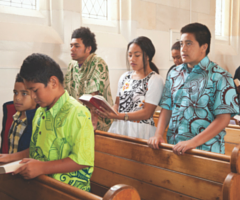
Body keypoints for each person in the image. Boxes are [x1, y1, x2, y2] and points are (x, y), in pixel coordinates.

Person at [0, 53, 94, 192]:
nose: (32, 96)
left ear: (53, 82)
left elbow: (82, 160)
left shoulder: (78, 112)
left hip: (68, 192)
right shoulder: (40, 111)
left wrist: (42, 167)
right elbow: (36, 149)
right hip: (42, 186)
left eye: (35, 90)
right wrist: (9, 158)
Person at [148, 23, 239, 154]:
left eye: (189, 43)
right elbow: (167, 107)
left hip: (206, 150)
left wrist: (193, 142)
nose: (183, 49)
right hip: (175, 147)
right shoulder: (174, 73)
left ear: (204, 47)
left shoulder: (220, 76)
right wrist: (158, 134)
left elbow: (223, 119)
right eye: (181, 44)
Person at [95, 36, 164, 139]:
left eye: (137, 55)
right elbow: (117, 104)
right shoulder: (125, 77)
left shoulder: (155, 79)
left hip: (140, 130)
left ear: (147, 56)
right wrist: (110, 112)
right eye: (130, 55)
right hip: (120, 126)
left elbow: (147, 113)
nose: (132, 59)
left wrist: (118, 116)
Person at [64, 27, 113, 131]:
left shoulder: (97, 63)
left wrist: (92, 124)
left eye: (77, 46)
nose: (72, 49)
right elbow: (67, 94)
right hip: (77, 120)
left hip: (97, 123)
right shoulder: (72, 65)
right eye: (71, 45)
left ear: (88, 48)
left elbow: (94, 98)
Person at [8, 73, 37, 154]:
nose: (17, 98)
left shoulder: (38, 120)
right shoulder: (14, 117)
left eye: (24, 93)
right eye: (15, 93)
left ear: (36, 95)